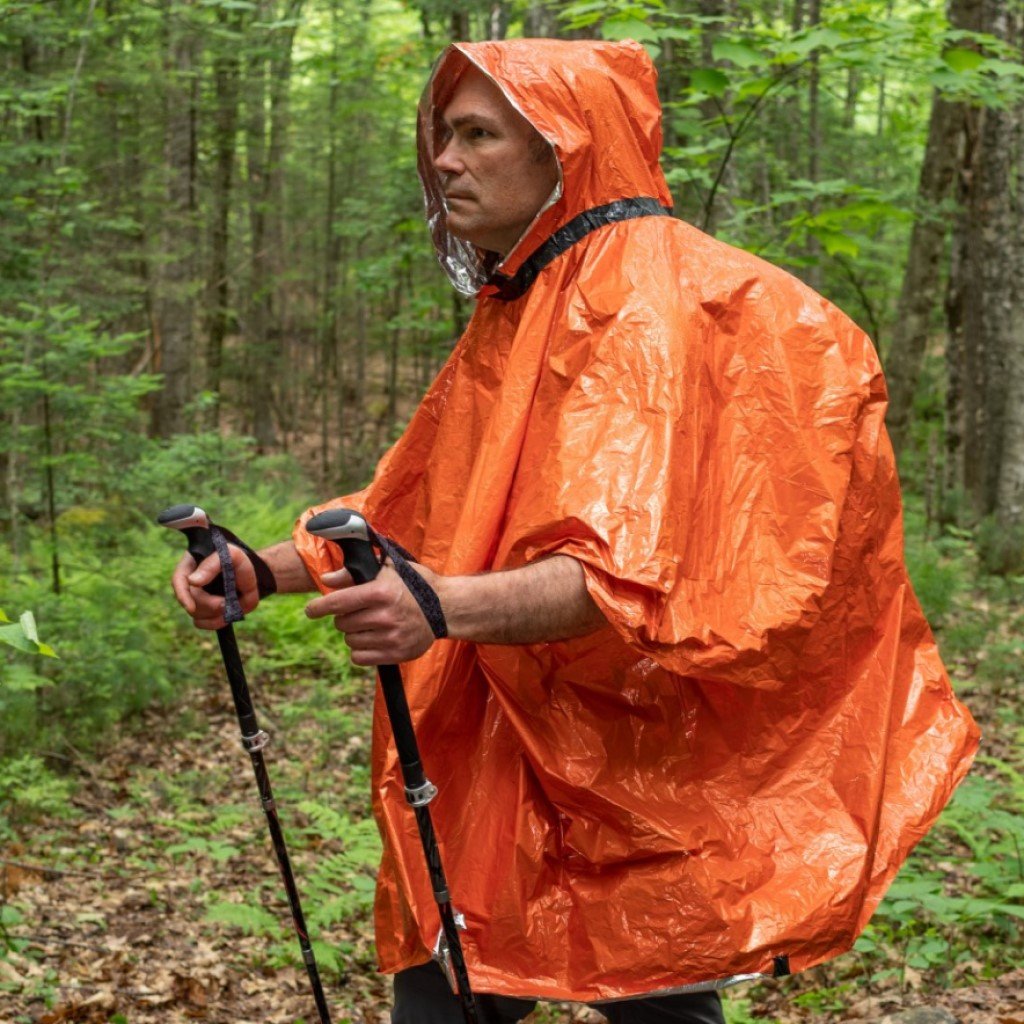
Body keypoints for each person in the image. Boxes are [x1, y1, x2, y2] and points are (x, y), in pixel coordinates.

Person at [173, 39, 980, 1024]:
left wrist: (437, 605)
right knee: (457, 985)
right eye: (442, 137)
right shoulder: (526, 301)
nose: (445, 161)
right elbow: (425, 510)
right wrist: (265, 569)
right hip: (508, 748)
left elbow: (617, 573)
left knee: (645, 992)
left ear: (563, 146)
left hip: (637, 754)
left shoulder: (639, 306)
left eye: (477, 135)